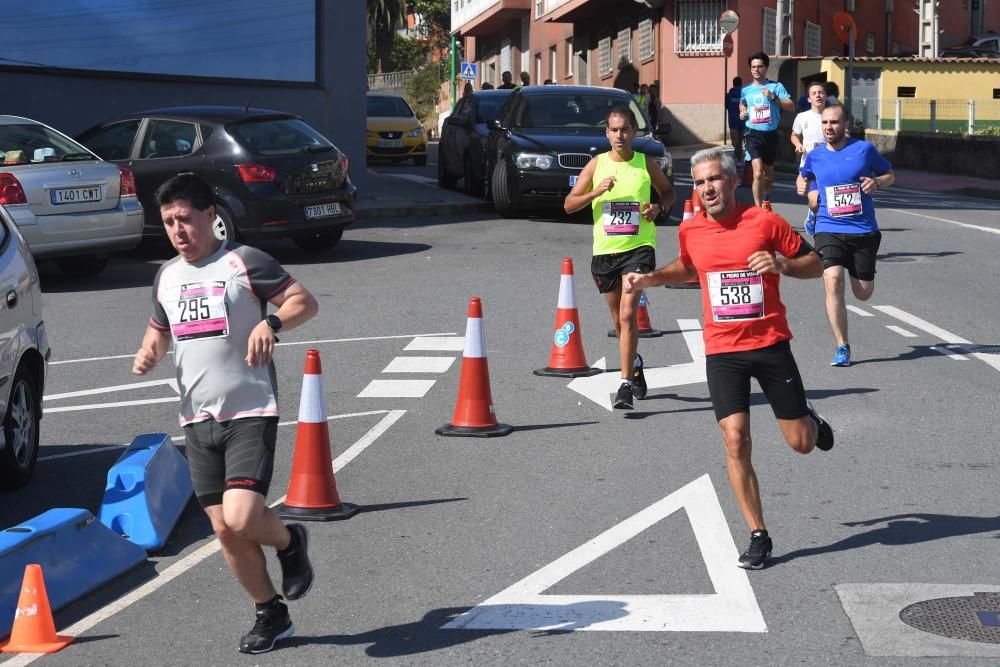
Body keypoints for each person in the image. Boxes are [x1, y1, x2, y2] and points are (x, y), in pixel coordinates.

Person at [132, 174, 320, 654]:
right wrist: (148, 351)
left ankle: (289, 542)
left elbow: (304, 301)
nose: (177, 230)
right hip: (196, 419)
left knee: (240, 516)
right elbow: (159, 329)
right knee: (222, 528)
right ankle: (270, 612)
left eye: (185, 219)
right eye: (169, 221)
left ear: (209, 216)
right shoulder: (167, 276)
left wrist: (272, 323)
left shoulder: (243, 261)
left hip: (249, 409)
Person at [623, 147, 834, 570]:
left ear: (733, 181)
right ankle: (758, 534)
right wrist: (651, 278)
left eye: (713, 180)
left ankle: (810, 419)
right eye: (699, 183)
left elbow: (816, 262)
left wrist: (781, 265)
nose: (706, 189)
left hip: (771, 344)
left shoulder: (765, 222)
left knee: (802, 444)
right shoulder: (692, 231)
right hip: (723, 350)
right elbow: (689, 267)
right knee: (735, 438)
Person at [564, 106, 677, 410]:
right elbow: (569, 205)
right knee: (618, 321)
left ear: (634, 132)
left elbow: (668, 192)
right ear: (607, 133)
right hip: (605, 253)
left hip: (639, 249)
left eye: (625, 129)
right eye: (614, 130)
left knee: (628, 316)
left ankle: (624, 384)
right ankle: (635, 362)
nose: (620, 135)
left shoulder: (645, 163)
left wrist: (658, 208)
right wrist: (594, 192)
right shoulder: (596, 165)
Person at [797, 104, 894, 367]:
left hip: (862, 230)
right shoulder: (816, 155)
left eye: (834, 123)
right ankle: (842, 345)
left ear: (846, 124)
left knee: (863, 292)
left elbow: (889, 175)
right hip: (828, 227)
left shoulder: (864, 150)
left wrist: (877, 182)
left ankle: (858, 269)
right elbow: (803, 177)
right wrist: (808, 189)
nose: (829, 127)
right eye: (825, 123)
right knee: (833, 279)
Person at [738, 52, 794, 207]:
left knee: (768, 174)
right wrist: (742, 111)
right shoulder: (746, 90)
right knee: (757, 173)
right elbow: (742, 103)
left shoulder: (776, 87)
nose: (756, 70)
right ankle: (757, 208)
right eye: (753, 67)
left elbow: (791, 106)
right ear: (750, 69)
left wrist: (773, 97)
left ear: (766, 68)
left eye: (760, 66)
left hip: (770, 135)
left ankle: (766, 200)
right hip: (752, 134)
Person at [791, 81, 828, 234]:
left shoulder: (833, 115)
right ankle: (813, 214)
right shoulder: (802, 117)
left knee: (826, 199)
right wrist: (798, 144)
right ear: (808, 99)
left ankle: (827, 226)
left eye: (820, 92)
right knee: (813, 202)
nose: (818, 95)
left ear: (825, 95)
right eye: (814, 93)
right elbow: (794, 135)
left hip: (829, 164)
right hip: (809, 164)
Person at [725, 76, 745, 167]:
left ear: (733, 84)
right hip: (743, 120)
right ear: (741, 84)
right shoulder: (744, 93)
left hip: (733, 121)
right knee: (740, 141)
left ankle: (738, 157)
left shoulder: (729, 95)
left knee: (735, 142)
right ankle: (739, 158)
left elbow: (726, 106)